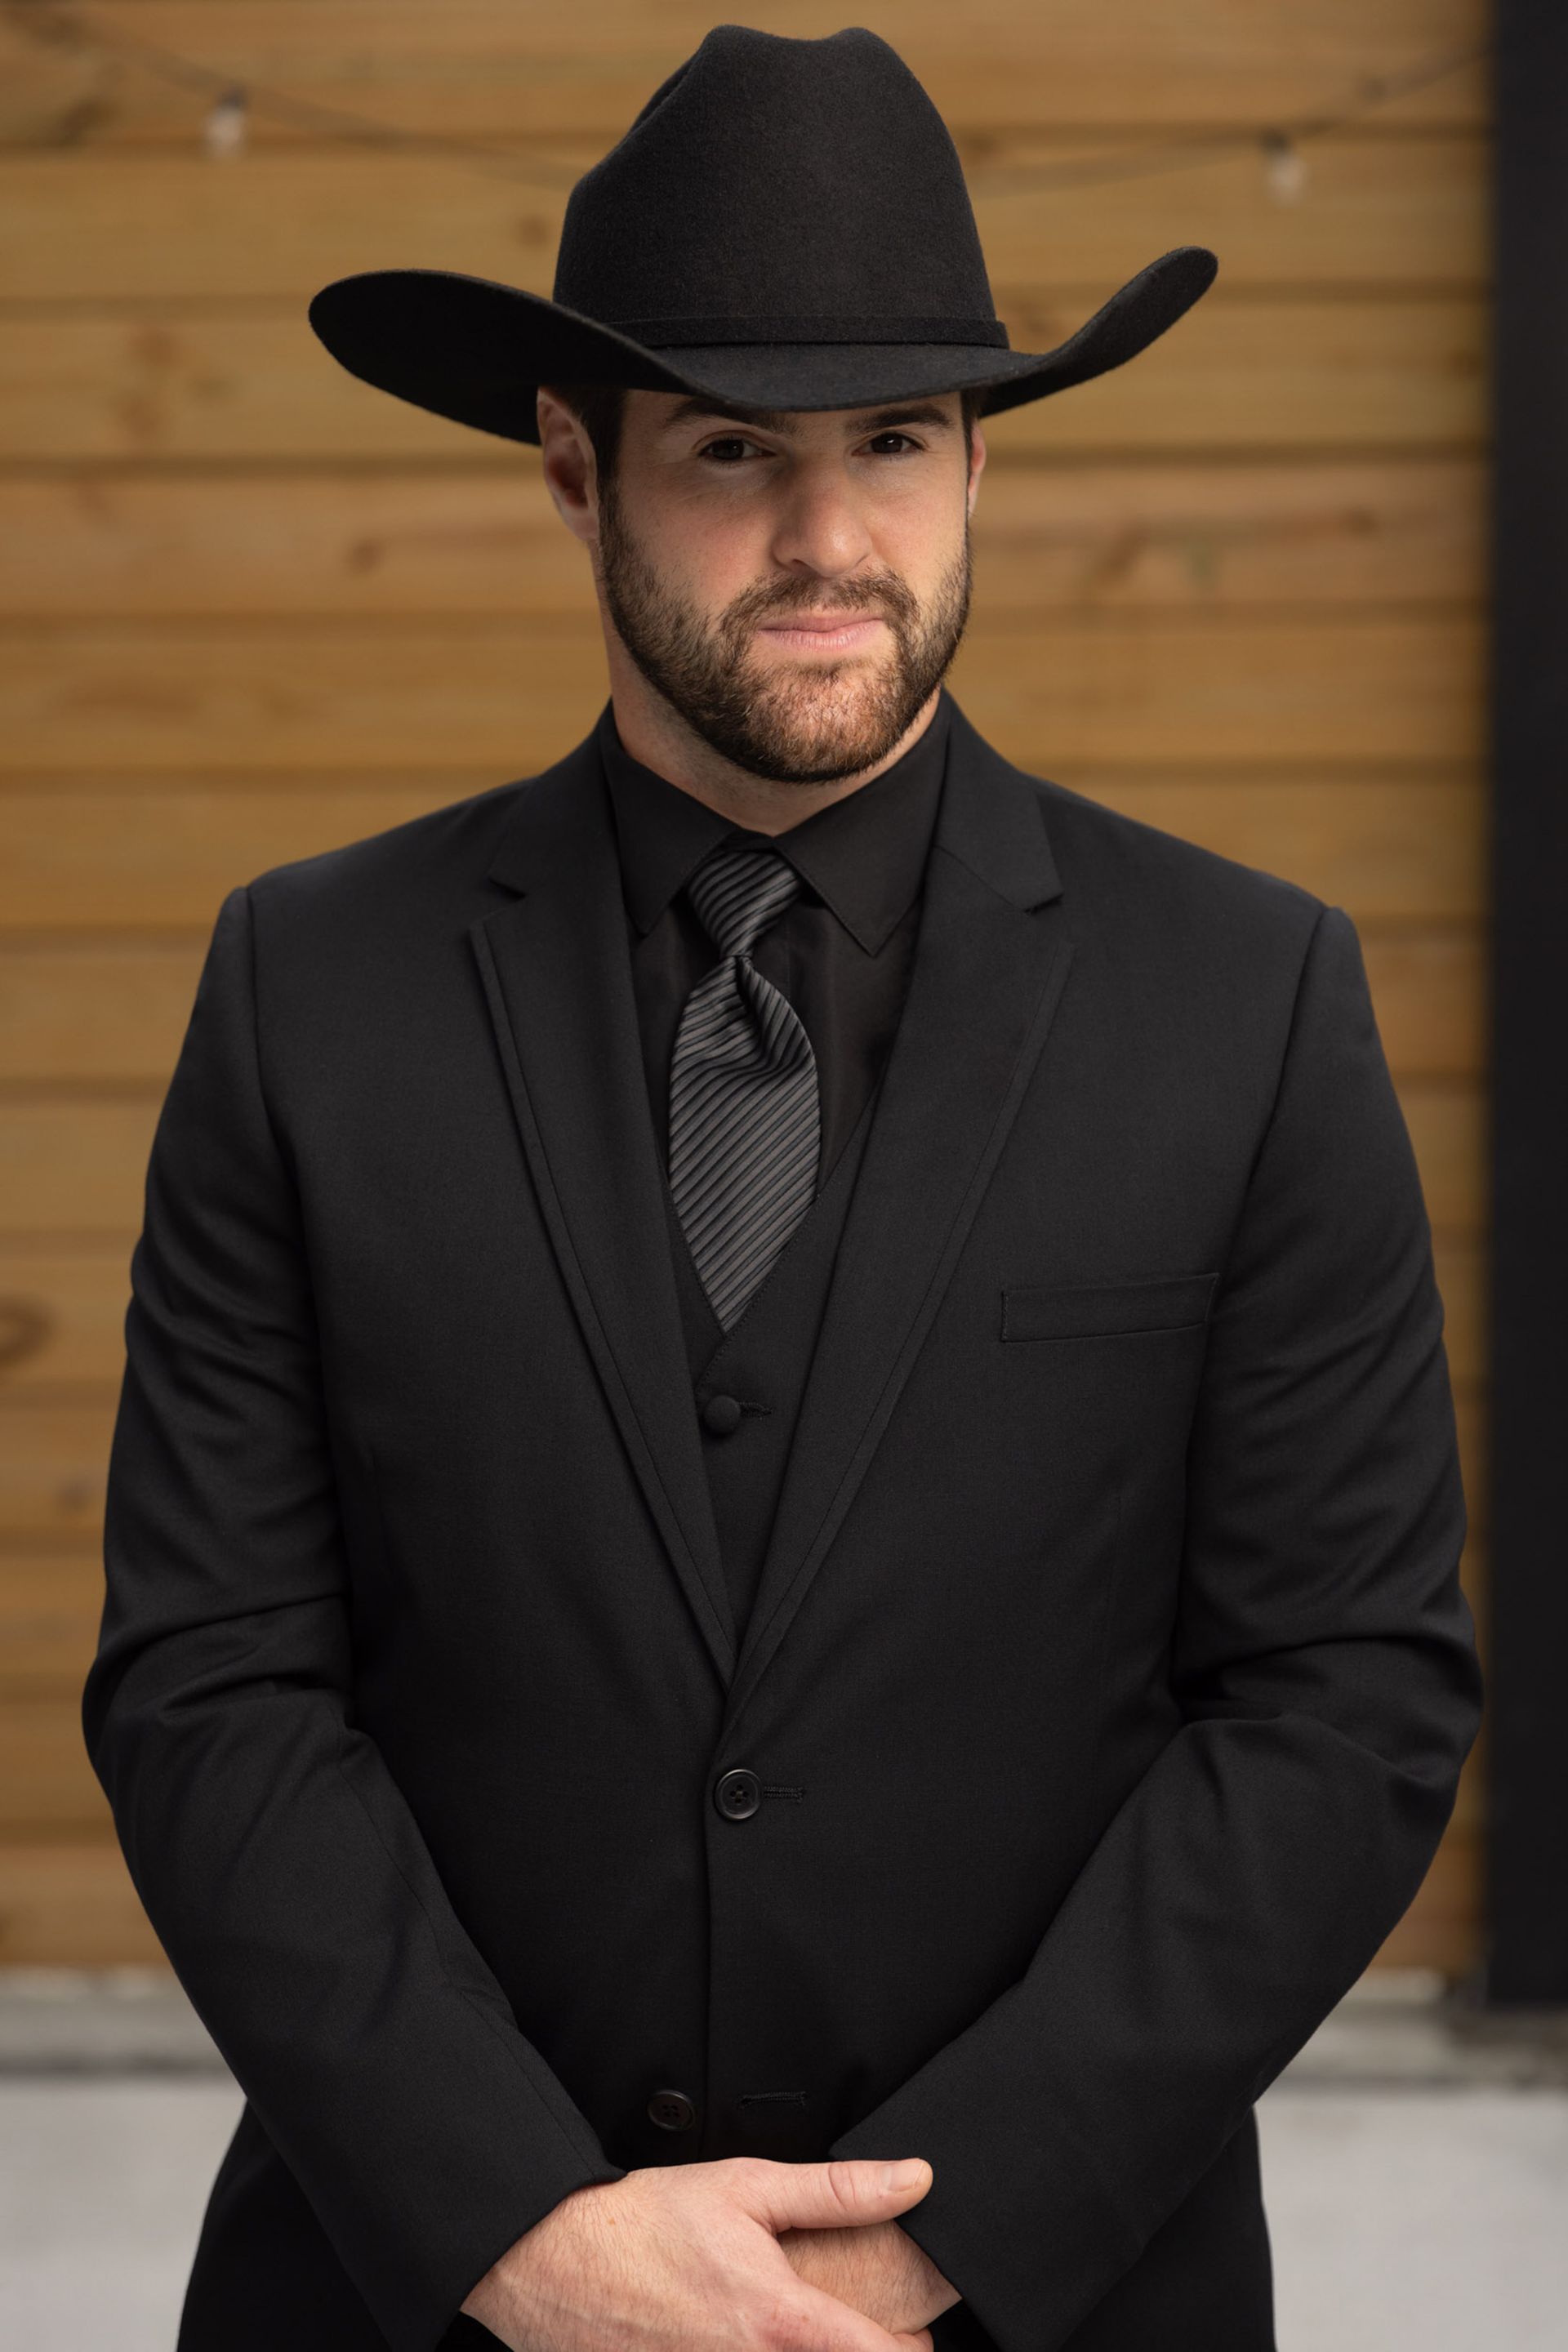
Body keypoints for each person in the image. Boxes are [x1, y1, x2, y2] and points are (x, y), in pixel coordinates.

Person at [83, 24, 1483, 2352]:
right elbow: (213, 1684)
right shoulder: (306, 990)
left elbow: (1343, 1704)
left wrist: (930, 2237)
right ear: (572, 464)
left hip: (1046, 2300)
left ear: (974, 467)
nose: (831, 539)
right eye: (736, 451)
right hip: (413, 2293)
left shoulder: (1246, 1002)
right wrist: (524, 2230)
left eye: (898, 445)